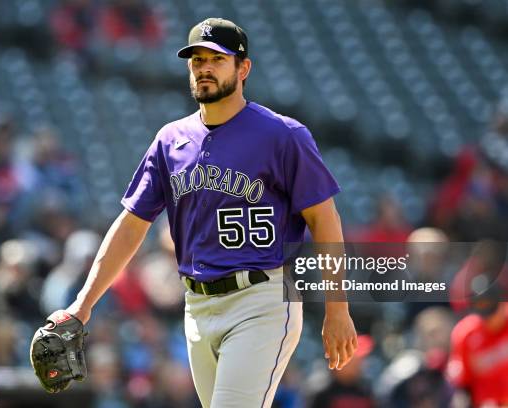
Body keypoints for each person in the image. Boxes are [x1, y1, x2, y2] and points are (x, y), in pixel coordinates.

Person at [61, 18, 357, 407]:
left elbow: (325, 219)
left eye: (217, 59)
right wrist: (81, 307)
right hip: (197, 306)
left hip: (261, 300)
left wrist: (338, 309)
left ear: (243, 68)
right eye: (196, 59)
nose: (204, 67)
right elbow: (131, 225)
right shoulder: (170, 140)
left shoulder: (282, 135)